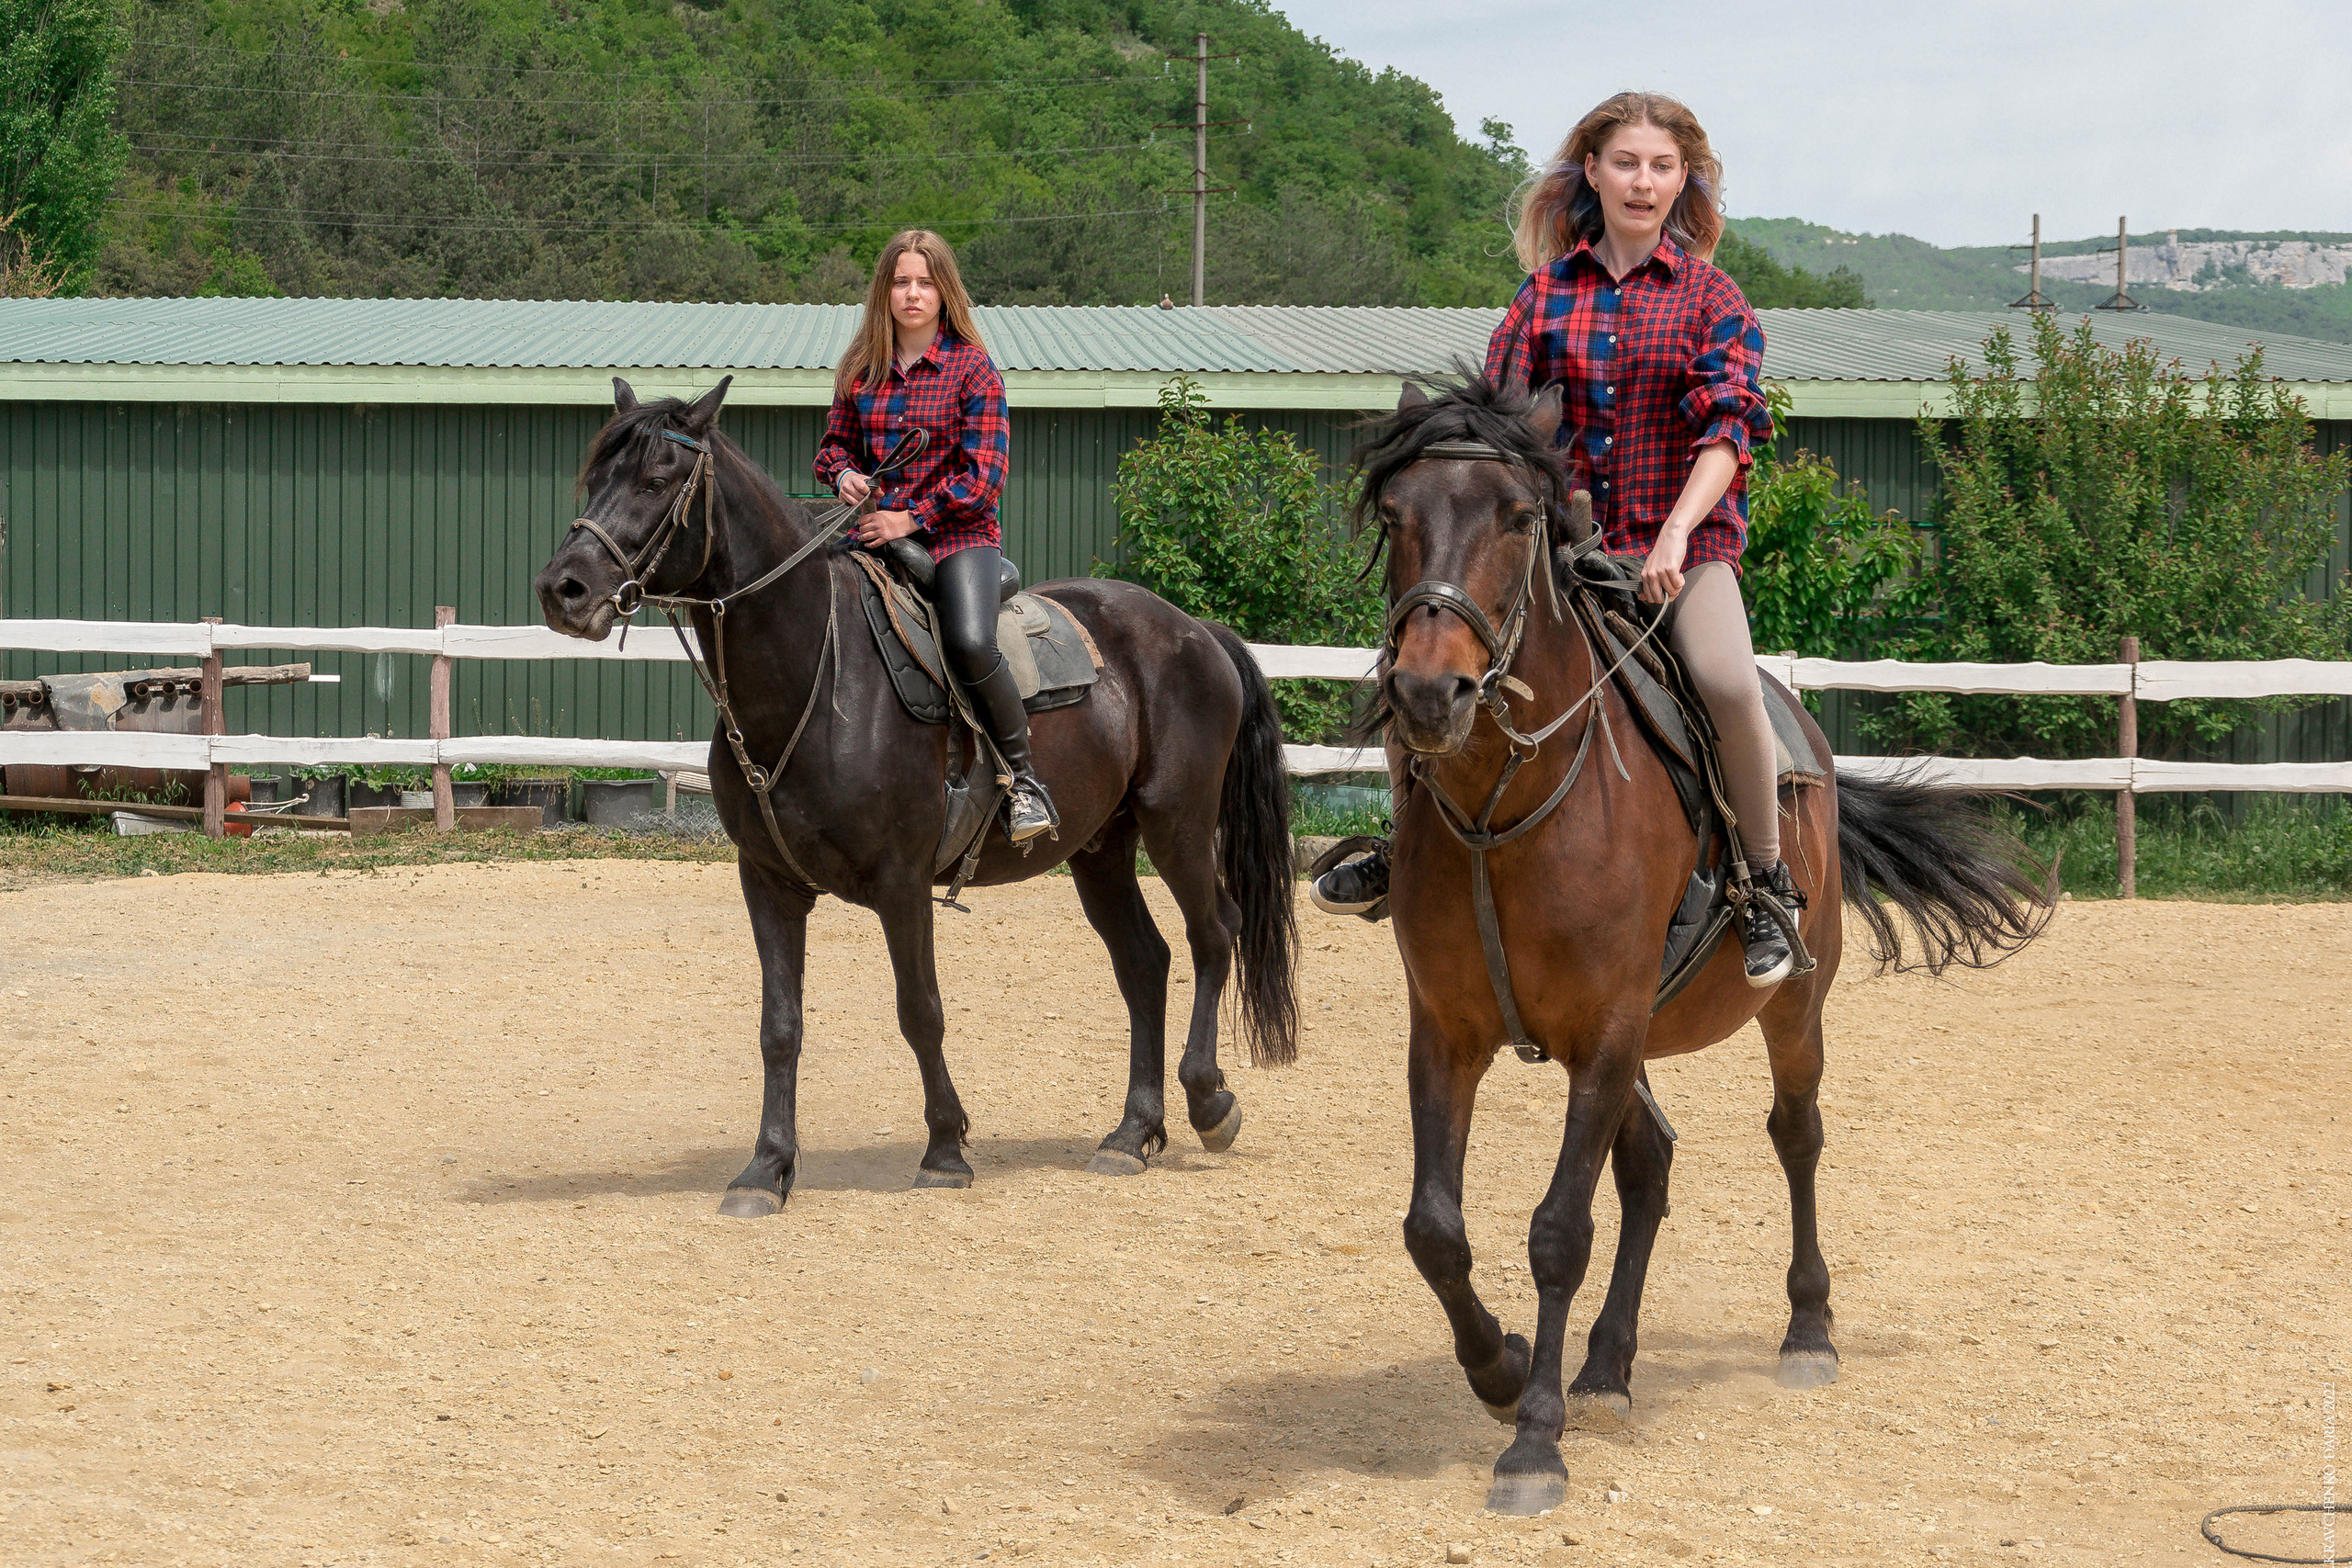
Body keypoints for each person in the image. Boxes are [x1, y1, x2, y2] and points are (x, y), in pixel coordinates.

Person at [1314, 91, 1799, 987]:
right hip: (1563, 559)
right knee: (1418, 665)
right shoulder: (1544, 296)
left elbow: (1727, 433)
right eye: (1625, 163)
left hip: (1677, 559)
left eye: (1660, 166)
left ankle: (1763, 884)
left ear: (1681, 179)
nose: (1642, 182)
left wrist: (1674, 536)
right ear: (1593, 174)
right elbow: (1495, 423)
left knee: (1730, 681)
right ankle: (1403, 843)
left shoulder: (1711, 298)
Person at [813, 229, 1053, 843]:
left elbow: (984, 478)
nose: (911, 293)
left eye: (924, 282)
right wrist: (844, 474)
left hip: (958, 537)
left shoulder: (975, 371)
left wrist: (908, 517)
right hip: (870, 533)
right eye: (900, 282)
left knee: (971, 640)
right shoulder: (860, 367)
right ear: (884, 291)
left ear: (944, 292)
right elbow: (833, 447)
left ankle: (1024, 782)